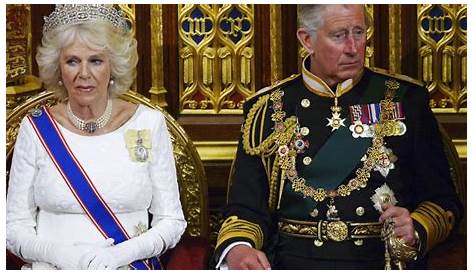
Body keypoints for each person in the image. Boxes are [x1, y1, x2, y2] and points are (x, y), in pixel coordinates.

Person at [212, 4, 462, 270]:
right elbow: (245, 207)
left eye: (359, 32)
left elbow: (443, 202)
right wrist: (238, 248)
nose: (354, 48)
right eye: (339, 35)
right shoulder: (269, 109)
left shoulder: (404, 100)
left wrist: (416, 228)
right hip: (293, 262)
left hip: (380, 262)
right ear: (307, 40)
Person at [6, 4, 186, 270]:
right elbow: (13, 228)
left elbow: (172, 221)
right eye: (72, 61)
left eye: (96, 60)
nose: (84, 74)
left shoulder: (149, 124)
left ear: (113, 66)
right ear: (58, 67)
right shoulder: (36, 130)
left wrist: (118, 256)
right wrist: (60, 256)